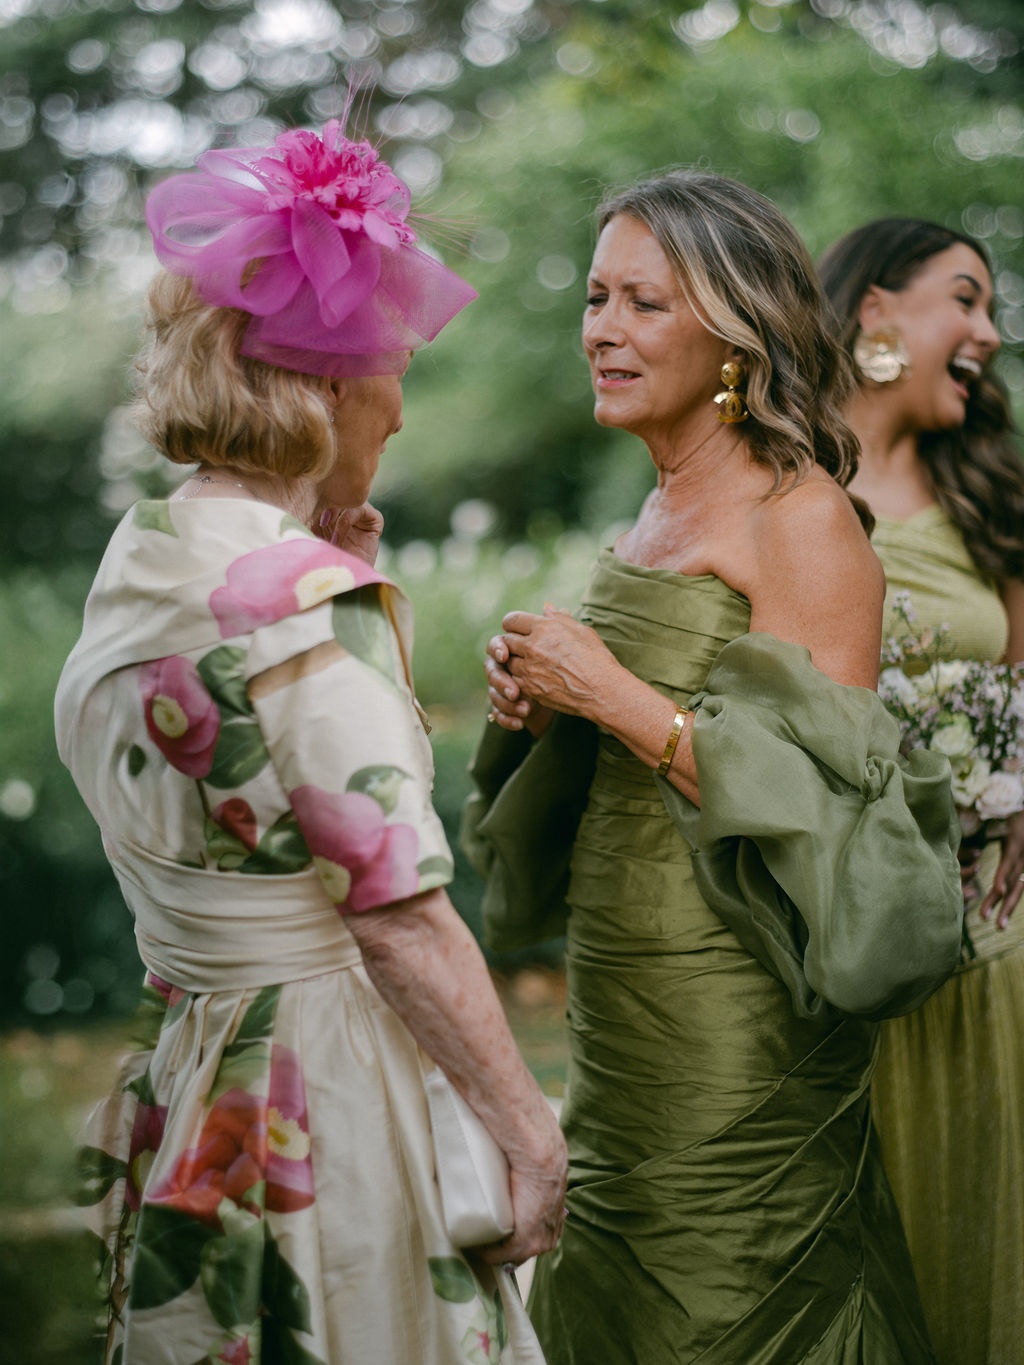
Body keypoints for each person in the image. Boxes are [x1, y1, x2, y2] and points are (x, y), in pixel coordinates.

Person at [54, 118, 567, 1365]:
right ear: (328, 382)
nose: (400, 404)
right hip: (322, 1089)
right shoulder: (293, 609)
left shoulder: (147, 566)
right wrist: (526, 1132)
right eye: (392, 365)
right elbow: (393, 909)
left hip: (199, 1057)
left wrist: (337, 558)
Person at [461, 171, 967, 1363]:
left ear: (734, 331)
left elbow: (837, 822)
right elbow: (636, 754)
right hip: (622, 994)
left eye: (643, 302)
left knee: (728, 1296)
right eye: (594, 298)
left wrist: (614, 694)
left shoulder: (799, 518)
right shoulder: (652, 515)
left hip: (739, 1010)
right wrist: (539, 712)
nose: (600, 329)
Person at [818, 217, 1024, 1365]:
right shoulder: (779, 480)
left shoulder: (990, 489)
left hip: (994, 939)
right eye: (965, 298)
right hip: (837, 948)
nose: (988, 332)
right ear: (876, 314)